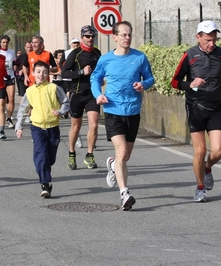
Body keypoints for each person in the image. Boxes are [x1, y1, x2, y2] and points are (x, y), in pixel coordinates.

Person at [91, 21, 155, 210]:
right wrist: (98, 95)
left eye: (129, 35)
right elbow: (95, 78)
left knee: (125, 157)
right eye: (123, 35)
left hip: (133, 111)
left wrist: (144, 85)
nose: (127, 38)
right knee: (122, 153)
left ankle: (112, 164)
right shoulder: (105, 59)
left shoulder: (140, 57)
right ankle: (124, 193)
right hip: (112, 110)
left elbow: (150, 78)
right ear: (115, 37)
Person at [171, 20, 221, 202]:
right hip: (195, 107)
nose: (211, 44)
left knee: (218, 150)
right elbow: (175, 81)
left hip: (215, 107)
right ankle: (200, 188)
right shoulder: (189, 55)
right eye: (208, 40)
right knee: (200, 151)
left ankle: (207, 168)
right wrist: (190, 84)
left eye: (214, 40)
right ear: (198, 37)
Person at [15, 61, 69, 198]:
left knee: (50, 158)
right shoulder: (30, 91)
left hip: (53, 127)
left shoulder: (54, 88)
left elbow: (65, 102)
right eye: (38, 72)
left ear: (48, 74)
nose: (41, 74)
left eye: (44, 72)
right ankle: (45, 184)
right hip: (37, 126)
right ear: (33, 73)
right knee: (41, 155)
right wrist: (19, 126)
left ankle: (45, 172)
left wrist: (61, 111)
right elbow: (23, 109)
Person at [61, 25, 101, 170]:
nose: (90, 39)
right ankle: (72, 153)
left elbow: (101, 70)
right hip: (77, 93)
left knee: (94, 124)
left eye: (92, 36)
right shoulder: (75, 54)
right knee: (76, 127)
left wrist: (101, 78)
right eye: (87, 36)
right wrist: (80, 72)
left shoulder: (97, 53)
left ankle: (89, 154)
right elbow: (64, 73)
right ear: (82, 37)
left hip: (92, 94)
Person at [0, 35, 16, 128]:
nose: (5, 44)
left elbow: (14, 63)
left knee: (11, 98)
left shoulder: (11, 52)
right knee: (1, 100)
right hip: (0, 79)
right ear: (0, 43)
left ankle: (9, 118)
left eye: (6, 42)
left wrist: (16, 67)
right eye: (3, 42)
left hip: (10, 77)